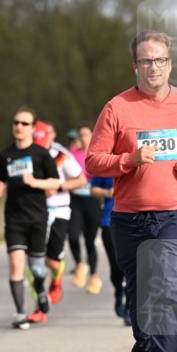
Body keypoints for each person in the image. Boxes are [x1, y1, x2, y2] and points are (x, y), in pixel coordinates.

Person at [86, 30, 177, 352]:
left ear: (170, 64)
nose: (153, 67)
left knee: (164, 285)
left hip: (175, 213)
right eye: (146, 61)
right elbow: (93, 161)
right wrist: (128, 160)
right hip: (128, 219)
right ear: (135, 66)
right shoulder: (117, 107)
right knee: (141, 295)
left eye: (159, 60)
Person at [0, 107, 61, 330]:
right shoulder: (5, 155)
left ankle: (41, 289)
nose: (19, 127)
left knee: (37, 267)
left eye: (24, 123)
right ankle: (20, 313)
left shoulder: (41, 154)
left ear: (33, 128)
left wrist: (35, 182)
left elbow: (54, 182)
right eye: (16, 123)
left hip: (37, 217)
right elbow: (1, 179)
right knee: (16, 263)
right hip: (14, 217)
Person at [29, 121, 87, 323]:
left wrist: (59, 187)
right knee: (32, 260)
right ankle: (39, 306)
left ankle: (57, 277)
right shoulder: (26, 154)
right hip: (33, 213)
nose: (40, 143)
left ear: (51, 137)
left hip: (59, 211)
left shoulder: (60, 155)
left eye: (43, 139)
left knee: (52, 261)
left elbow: (81, 180)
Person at [67, 124, 102, 293]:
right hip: (75, 199)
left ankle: (94, 276)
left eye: (86, 134)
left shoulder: (98, 154)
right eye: (80, 134)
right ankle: (80, 265)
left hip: (93, 200)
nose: (83, 137)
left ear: (93, 135)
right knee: (73, 235)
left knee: (90, 240)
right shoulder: (72, 155)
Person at [90, 174, 127, 323]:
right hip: (109, 221)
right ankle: (119, 291)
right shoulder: (107, 163)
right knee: (116, 265)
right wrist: (107, 193)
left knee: (132, 267)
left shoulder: (141, 158)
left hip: (135, 220)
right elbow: (93, 189)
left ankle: (130, 307)